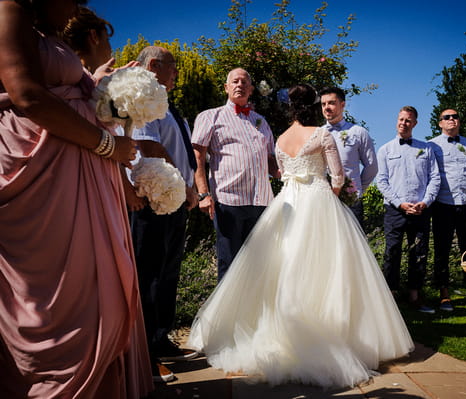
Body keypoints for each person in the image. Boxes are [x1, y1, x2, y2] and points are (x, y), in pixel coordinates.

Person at [187, 84, 414, 389]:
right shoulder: (322, 135)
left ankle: (279, 333)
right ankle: (335, 334)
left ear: (290, 108)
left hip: (287, 204)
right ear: (315, 105)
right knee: (327, 269)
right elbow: (337, 178)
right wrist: (333, 196)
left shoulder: (280, 139)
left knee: (282, 265)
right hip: (318, 199)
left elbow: (280, 172)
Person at [0, 1, 152, 397]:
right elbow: (28, 95)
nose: (79, 6)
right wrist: (107, 146)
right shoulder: (8, 9)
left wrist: (101, 87)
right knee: (60, 305)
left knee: (102, 297)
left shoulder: (48, 36)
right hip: (39, 180)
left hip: (77, 174)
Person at [129, 46, 200, 382]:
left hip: (174, 200)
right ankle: (145, 354)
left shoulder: (167, 106)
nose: (177, 73)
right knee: (148, 274)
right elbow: (149, 147)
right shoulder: (142, 99)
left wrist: (190, 187)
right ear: (154, 65)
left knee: (168, 273)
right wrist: (181, 185)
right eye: (173, 67)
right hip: (152, 200)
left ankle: (161, 338)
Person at [192, 68, 277, 280]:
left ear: (251, 90)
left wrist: (295, 176)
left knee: (259, 266)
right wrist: (203, 194)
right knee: (229, 266)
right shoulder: (210, 117)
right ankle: (226, 315)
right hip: (228, 201)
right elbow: (197, 158)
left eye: (244, 82)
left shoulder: (261, 122)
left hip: (261, 202)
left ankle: (253, 313)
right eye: (235, 81)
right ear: (226, 87)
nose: (240, 85)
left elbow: (271, 160)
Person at [63, 6, 146, 213]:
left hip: (100, 176)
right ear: (94, 36)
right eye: (108, 41)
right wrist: (97, 84)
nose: (110, 49)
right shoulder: (72, 81)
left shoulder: (86, 81)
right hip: (80, 178)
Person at [376, 106, 440, 313]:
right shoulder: (385, 150)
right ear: (397, 121)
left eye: (408, 120)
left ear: (415, 123)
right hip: (395, 210)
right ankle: (391, 298)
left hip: (421, 209)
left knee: (419, 253)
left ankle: (415, 297)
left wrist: (426, 202)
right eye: (401, 119)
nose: (404, 123)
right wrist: (399, 203)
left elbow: (435, 178)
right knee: (392, 252)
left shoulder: (427, 149)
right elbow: (382, 181)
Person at [428, 109, 466, 311]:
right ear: (440, 123)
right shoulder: (432, 145)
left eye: (455, 116)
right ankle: (444, 295)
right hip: (443, 204)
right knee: (442, 250)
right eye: (446, 117)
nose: (452, 119)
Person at [320, 86, 378, 227]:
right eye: (323, 104)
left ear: (343, 104)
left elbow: (372, 167)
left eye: (331, 103)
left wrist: (355, 191)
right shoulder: (317, 134)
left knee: (352, 247)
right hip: (322, 201)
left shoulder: (358, 132)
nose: (327, 107)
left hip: (351, 203)